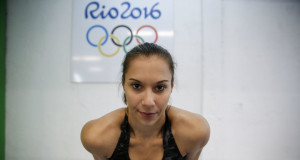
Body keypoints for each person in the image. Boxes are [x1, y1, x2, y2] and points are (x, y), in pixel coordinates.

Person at [81, 43, 210, 160]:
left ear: (171, 86)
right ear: (123, 84)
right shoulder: (98, 137)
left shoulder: (193, 132)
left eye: (160, 88)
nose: (148, 102)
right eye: (137, 86)